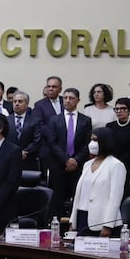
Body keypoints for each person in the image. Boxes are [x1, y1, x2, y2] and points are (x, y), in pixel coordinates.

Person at [43, 88, 92, 217]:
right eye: (65, 98)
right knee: (56, 200)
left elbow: (87, 144)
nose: (68, 101)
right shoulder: (54, 120)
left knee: (78, 199)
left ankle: (75, 224)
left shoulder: (85, 120)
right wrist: (66, 160)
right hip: (59, 165)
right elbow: (52, 142)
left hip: (78, 166)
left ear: (78, 100)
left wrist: (75, 160)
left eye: (71, 98)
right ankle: (54, 224)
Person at [70, 127, 126, 236]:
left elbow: (115, 199)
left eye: (95, 140)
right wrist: (73, 220)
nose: (91, 143)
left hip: (102, 221)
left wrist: (108, 225)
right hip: (82, 217)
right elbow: (79, 196)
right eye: (91, 140)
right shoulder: (87, 164)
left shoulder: (116, 165)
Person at [106, 97, 130, 181]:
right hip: (112, 164)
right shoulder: (109, 126)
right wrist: (114, 161)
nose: (119, 111)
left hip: (129, 165)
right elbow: (107, 145)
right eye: (117, 109)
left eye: (122, 109)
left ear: (129, 111)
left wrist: (120, 161)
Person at [9, 91, 43, 172]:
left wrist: (26, 151)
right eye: (14, 101)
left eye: (20, 101)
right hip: (10, 160)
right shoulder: (6, 120)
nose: (17, 104)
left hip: (29, 160)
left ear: (27, 104)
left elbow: (37, 140)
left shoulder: (35, 120)